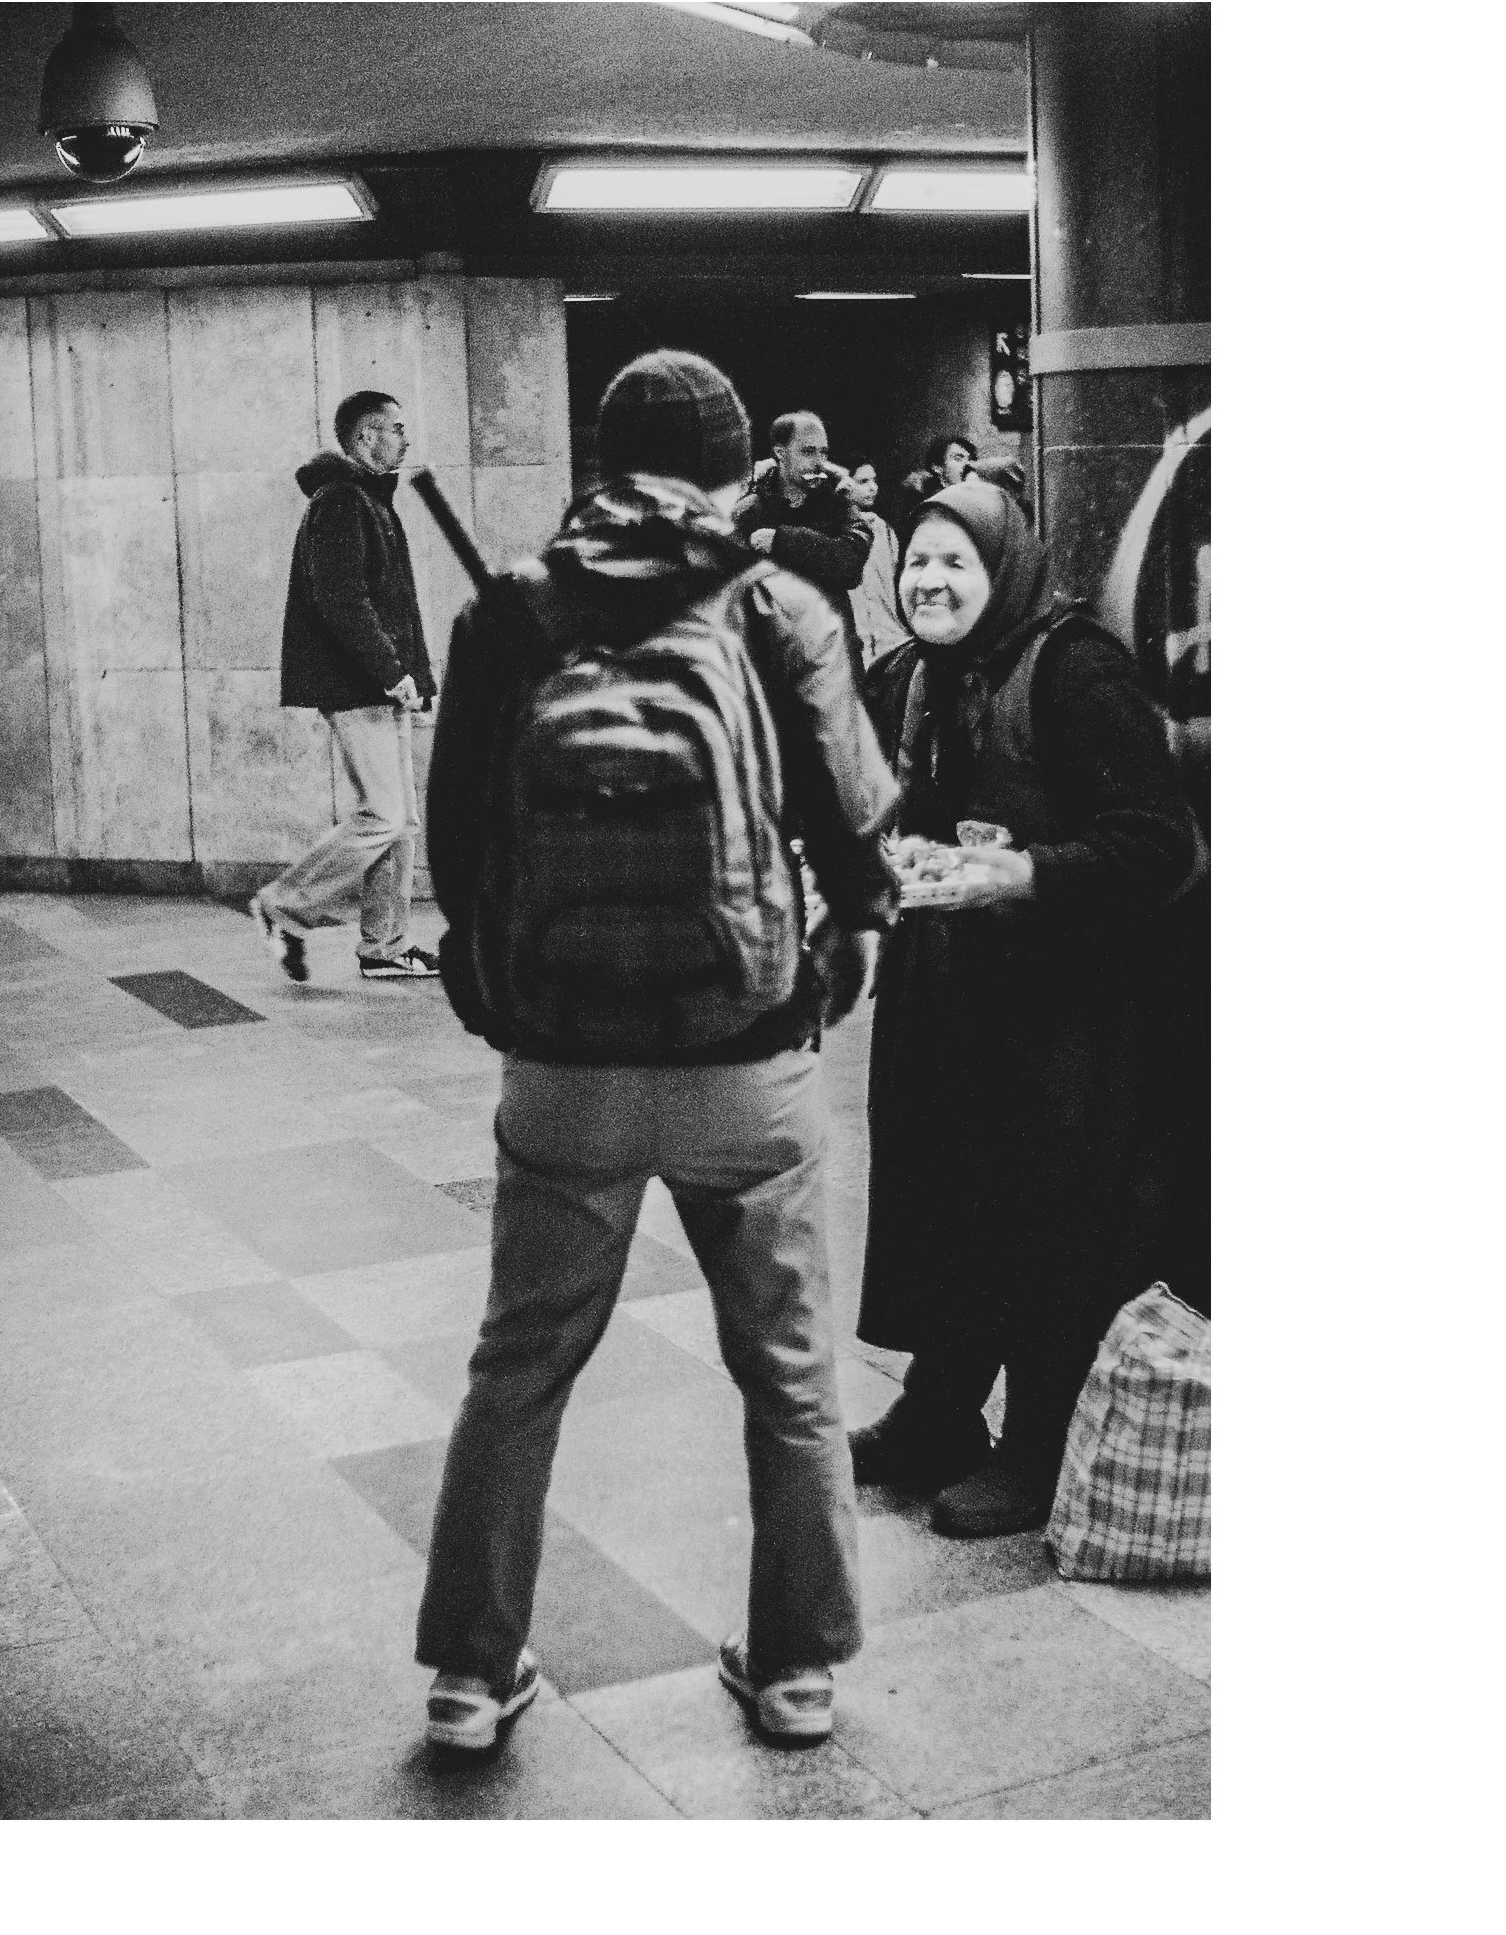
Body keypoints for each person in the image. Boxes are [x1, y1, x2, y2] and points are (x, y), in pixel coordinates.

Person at [414, 350, 900, 1751]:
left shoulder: (509, 608)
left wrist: (502, 998)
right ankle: (796, 1669)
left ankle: (469, 1676)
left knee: (517, 1366)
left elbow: (459, 842)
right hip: (748, 1055)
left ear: (602, 462)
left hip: (563, 1068)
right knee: (789, 1370)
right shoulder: (777, 603)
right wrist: (833, 959)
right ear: (735, 469)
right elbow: (853, 830)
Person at [853, 478, 1196, 1538]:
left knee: (1049, 1218)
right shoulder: (911, 675)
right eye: (917, 561)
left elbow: (1156, 843)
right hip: (947, 993)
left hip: (1065, 1011)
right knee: (944, 1196)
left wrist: (1027, 873)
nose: (928, 580)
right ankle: (939, 1411)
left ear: (1003, 569)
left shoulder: (1073, 670)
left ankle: (1040, 1442)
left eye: (954, 561)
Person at [255, 390, 440, 982]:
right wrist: (392, 672)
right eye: (396, 428)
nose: (405, 439)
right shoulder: (341, 501)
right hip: (358, 685)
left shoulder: (369, 500)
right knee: (383, 815)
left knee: (401, 823)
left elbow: (390, 605)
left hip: (381, 685)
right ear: (366, 437)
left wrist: (413, 677)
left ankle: (385, 946)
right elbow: (342, 601)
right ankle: (284, 904)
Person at [729, 411, 870, 652]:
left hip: (834, 652)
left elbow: (850, 566)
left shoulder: (839, 504)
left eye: (823, 452)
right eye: (808, 451)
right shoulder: (749, 511)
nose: (819, 462)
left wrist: (782, 540)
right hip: (773, 653)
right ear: (780, 453)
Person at [844, 457, 908, 668]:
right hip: (854, 644)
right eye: (863, 482)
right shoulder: (834, 531)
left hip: (888, 639)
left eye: (874, 481)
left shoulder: (884, 530)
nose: (873, 488)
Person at [893, 432, 977, 530]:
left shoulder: (977, 498)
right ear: (937, 467)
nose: (967, 465)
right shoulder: (926, 507)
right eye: (958, 459)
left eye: (970, 460)